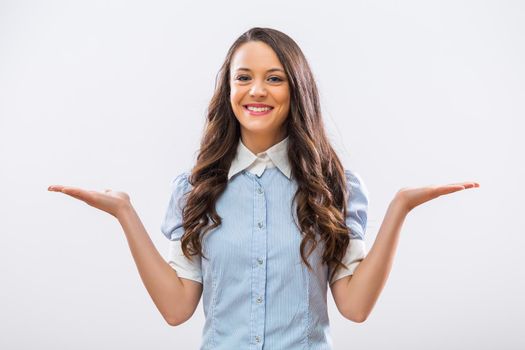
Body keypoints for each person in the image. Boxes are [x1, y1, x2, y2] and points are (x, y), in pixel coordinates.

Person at [48, 27, 480, 349]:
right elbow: (177, 309)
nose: (257, 90)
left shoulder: (334, 186)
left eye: (274, 78)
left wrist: (400, 208)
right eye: (243, 78)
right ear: (228, 89)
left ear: (296, 89)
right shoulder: (193, 189)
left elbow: (355, 307)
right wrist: (125, 212)